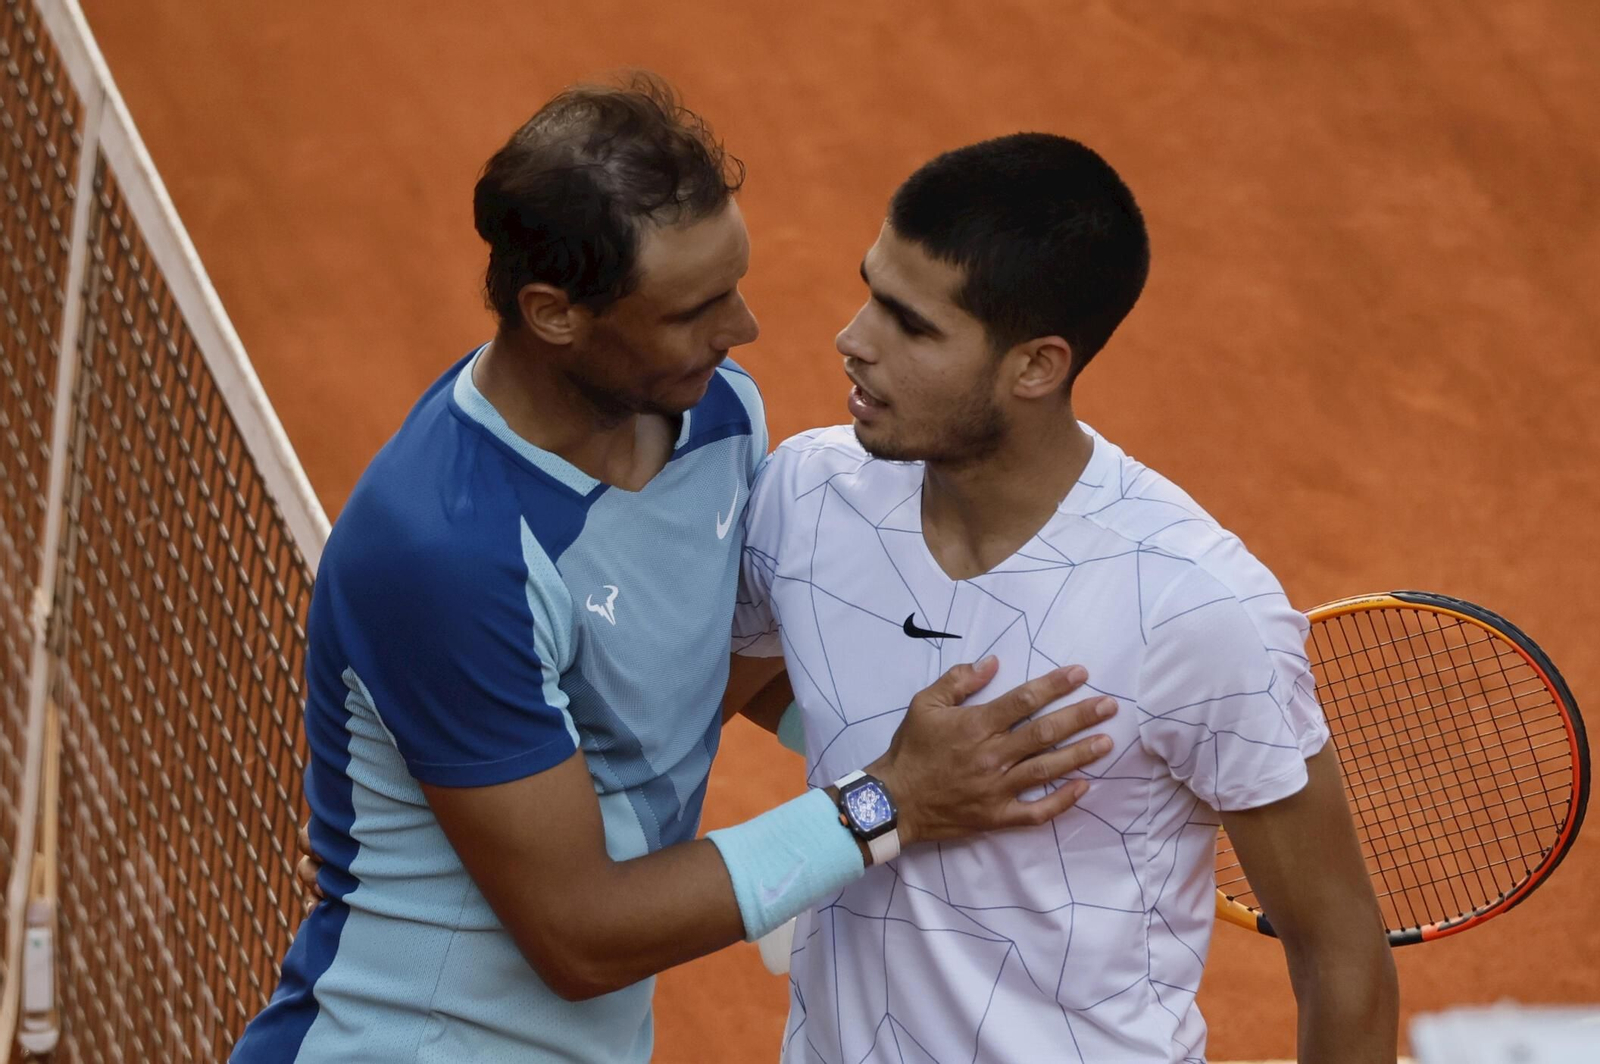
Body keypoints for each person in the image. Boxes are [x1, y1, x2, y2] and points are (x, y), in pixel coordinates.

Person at [230, 77, 1116, 1064]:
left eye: (733, 284)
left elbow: (694, 668)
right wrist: (887, 801)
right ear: (554, 312)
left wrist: (973, 754)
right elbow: (580, 933)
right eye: (694, 308)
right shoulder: (445, 552)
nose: (742, 330)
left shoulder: (718, 414)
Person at [731, 134, 1400, 1062]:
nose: (855, 340)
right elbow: (724, 696)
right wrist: (906, 777)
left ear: (1037, 367)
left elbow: (1339, 952)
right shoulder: (806, 497)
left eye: (911, 324)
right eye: (871, 290)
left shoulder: (1192, 607)